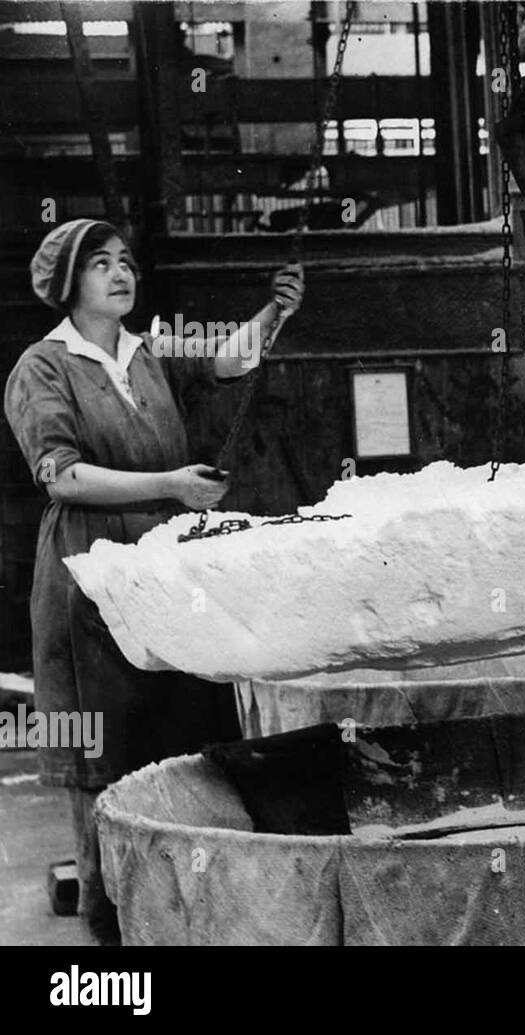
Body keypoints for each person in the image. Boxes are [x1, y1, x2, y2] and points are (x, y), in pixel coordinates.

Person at [4, 218, 304, 944]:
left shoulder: (151, 349)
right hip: (88, 576)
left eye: (126, 261)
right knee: (103, 756)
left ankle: (184, 919)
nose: (120, 272)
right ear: (67, 284)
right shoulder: (42, 367)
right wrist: (170, 481)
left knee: (181, 737)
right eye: (100, 263)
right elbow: (64, 475)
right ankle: (111, 935)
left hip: (164, 568)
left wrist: (275, 314)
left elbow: (226, 361)